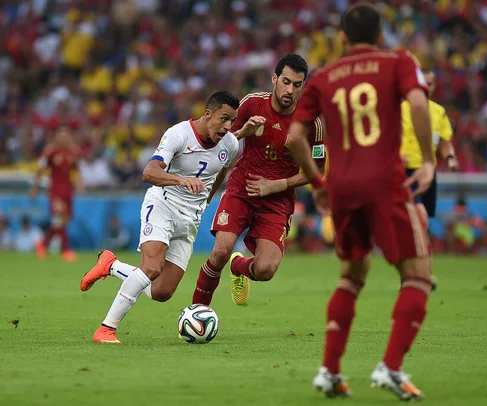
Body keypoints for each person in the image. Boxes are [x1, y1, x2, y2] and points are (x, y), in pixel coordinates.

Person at [287, 3, 434, 400]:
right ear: (381, 36)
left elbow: (295, 138)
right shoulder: (397, 60)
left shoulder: (324, 77)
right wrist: (429, 160)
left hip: (343, 188)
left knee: (352, 276)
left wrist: (317, 183)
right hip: (385, 184)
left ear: (342, 38)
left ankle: (329, 372)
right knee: (418, 275)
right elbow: (419, 104)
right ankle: (390, 367)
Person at [79, 91, 247, 344]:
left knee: (161, 291)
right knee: (152, 267)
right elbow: (149, 172)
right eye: (224, 118)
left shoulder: (231, 144)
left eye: (232, 121)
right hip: (163, 205)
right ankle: (106, 329)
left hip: (190, 220)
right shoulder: (179, 134)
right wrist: (181, 179)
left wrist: (207, 198)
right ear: (208, 114)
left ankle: (110, 265)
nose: (227, 126)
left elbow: (220, 170)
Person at [191, 54, 325, 307]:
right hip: (242, 188)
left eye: (297, 85)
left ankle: (239, 267)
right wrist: (242, 133)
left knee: (265, 270)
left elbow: (318, 171)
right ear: (274, 79)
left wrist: (279, 184)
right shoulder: (251, 104)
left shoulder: (312, 123)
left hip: (277, 200)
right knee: (220, 251)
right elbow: (219, 143)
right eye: (286, 81)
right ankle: (197, 312)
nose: (290, 89)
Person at [400, 67, 458, 289]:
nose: (427, 87)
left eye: (431, 84)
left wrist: (450, 157)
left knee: (420, 225)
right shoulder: (400, 109)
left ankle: (420, 273)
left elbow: (444, 140)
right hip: (405, 174)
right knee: (418, 219)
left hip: (428, 172)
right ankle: (419, 274)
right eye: (424, 82)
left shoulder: (438, 112)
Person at [29, 126, 83, 261]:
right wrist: (34, 188)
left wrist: (79, 185)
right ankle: (66, 250)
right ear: (56, 138)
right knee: (59, 218)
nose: (64, 139)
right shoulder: (50, 152)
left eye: (66, 136)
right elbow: (40, 169)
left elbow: (75, 171)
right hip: (55, 191)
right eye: (61, 136)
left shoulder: (73, 152)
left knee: (64, 222)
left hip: (68, 191)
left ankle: (42, 244)